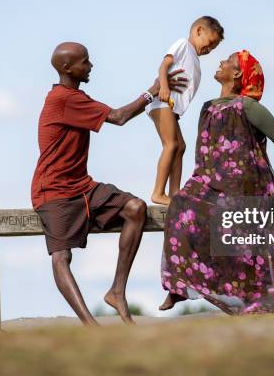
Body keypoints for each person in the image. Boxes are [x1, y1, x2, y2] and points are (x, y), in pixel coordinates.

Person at [31, 42, 186, 325]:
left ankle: (116, 291)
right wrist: (152, 90)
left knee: (135, 208)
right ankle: (91, 325)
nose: (91, 66)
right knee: (61, 256)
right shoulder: (63, 99)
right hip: (54, 191)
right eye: (85, 62)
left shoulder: (74, 97)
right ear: (67, 68)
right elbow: (119, 116)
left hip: (83, 186)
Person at [159, 49, 274, 315]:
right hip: (212, 182)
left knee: (239, 229)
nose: (221, 62)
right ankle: (178, 285)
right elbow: (204, 153)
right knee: (179, 204)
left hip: (248, 184)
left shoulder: (248, 107)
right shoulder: (207, 108)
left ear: (236, 74)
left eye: (228, 62)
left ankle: (253, 294)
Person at [145, 16, 224, 206]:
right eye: (209, 42)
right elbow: (163, 66)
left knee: (180, 146)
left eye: (213, 47)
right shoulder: (183, 45)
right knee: (171, 145)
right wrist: (163, 87)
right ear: (198, 31)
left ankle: (174, 192)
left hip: (171, 109)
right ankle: (158, 192)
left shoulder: (194, 58)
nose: (209, 49)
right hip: (162, 102)